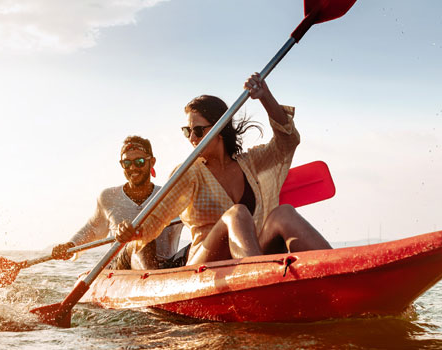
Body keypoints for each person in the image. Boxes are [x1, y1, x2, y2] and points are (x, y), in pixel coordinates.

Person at [117, 73, 331, 265]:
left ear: (220, 128)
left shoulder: (250, 162)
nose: (192, 138)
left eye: (199, 131)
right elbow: (156, 219)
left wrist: (265, 97)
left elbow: (288, 140)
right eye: (187, 131)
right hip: (206, 262)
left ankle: (338, 267)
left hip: (251, 254)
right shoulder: (188, 172)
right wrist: (130, 231)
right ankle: (255, 279)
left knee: (283, 213)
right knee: (236, 214)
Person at [51, 136, 182, 270]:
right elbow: (92, 229)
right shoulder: (108, 197)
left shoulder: (171, 196)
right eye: (126, 163)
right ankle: (151, 281)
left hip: (166, 266)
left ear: (152, 162)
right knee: (142, 240)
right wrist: (70, 246)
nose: (132, 168)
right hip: (123, 266)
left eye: (139, 162)